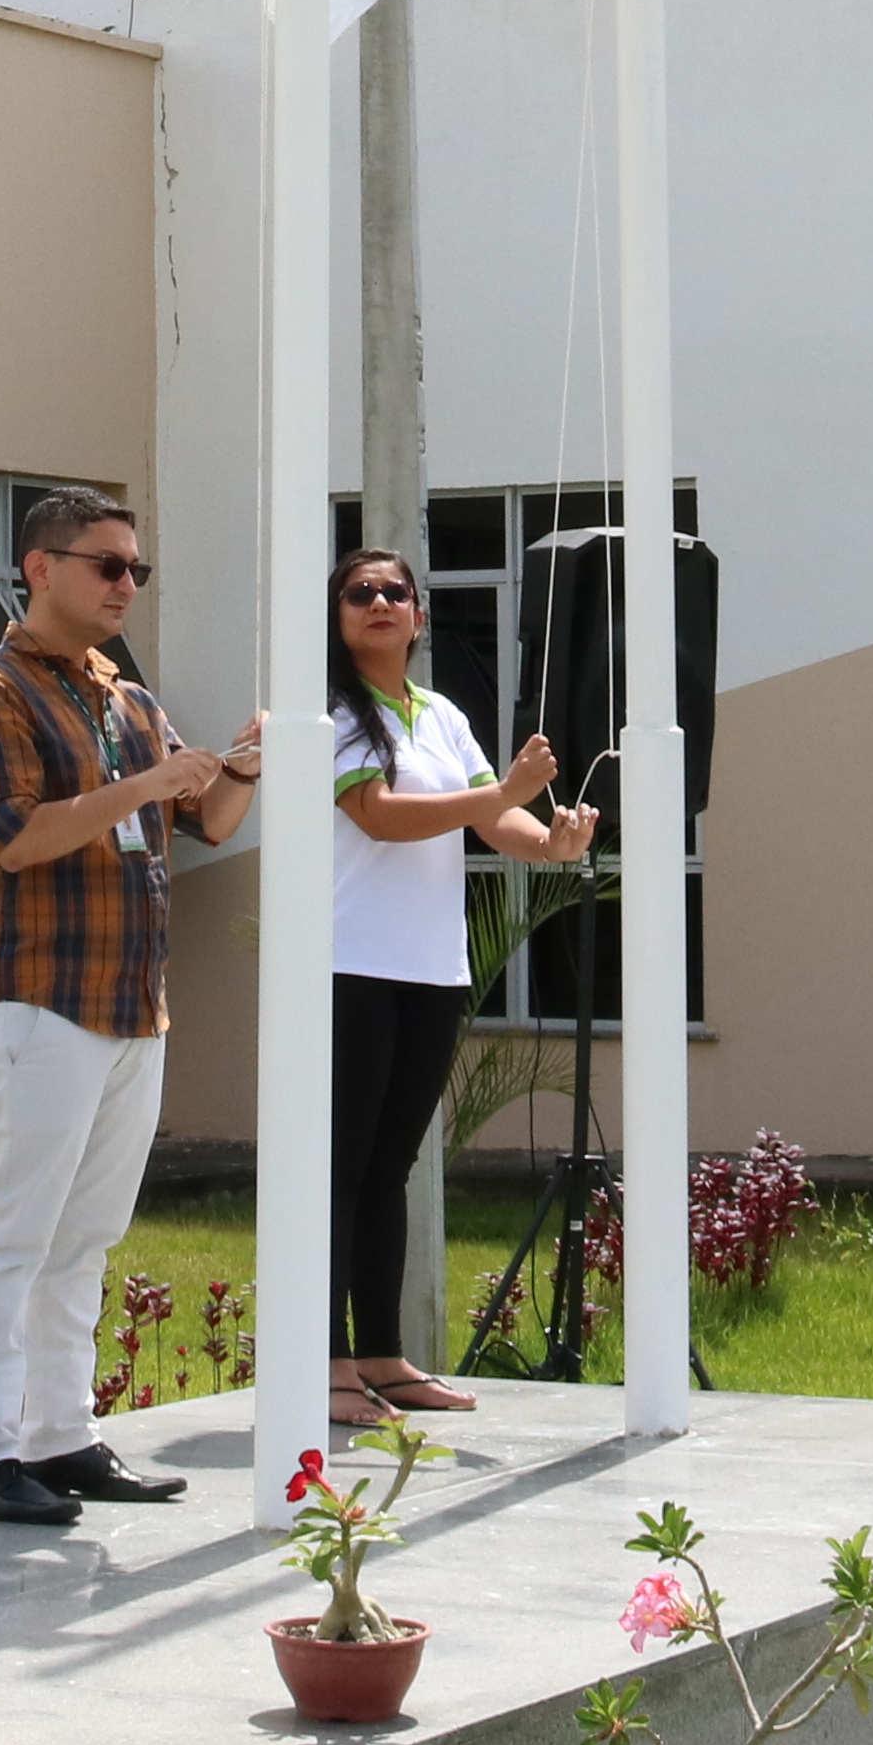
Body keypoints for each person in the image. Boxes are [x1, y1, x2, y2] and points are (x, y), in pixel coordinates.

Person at [0, 487, 256, 1529]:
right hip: (41, 1000)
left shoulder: (128, 697)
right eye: (107, 565)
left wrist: (241, 763)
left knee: (86, 1235)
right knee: (13, 1230)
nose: (126, 585)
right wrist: (151, 780)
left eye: (135, 570)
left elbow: (202, 819)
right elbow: (17, 835)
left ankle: (60, 1436)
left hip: (131, 1002)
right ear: (40, 566)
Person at [319, 547, 592, 1427]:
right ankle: (325, 1368)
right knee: (341, 1169)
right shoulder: (332, 714)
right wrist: (501, 797)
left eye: (396, 592)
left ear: (420, 616)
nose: (380, 604)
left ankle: (382, 1356)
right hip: (351, 965)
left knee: (390, 1168)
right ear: (339, 615)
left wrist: (549, 841)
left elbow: (498, 814)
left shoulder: (438, 714)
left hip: (432, 970)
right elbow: (379, 818)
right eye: (360, 593)